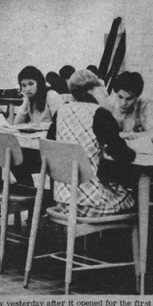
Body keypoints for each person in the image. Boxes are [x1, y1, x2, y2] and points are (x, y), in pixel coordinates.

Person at [45, 69, 136, 217]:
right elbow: (125, 155)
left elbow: (52, 144)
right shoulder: (100, 114)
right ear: (93, 90)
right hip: (89, 205)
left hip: (61, 201)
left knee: (110, 185)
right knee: (131, 198)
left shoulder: (61, 111)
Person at [11, 66, 64, 186]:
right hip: (36, 145)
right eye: (23, 85)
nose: (27, 88)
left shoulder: (51, 95)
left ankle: (28, 191)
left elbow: (60, 122)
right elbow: (16, 124)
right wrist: (26, 101)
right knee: (14, 157)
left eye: (31, 84)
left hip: (52, 148)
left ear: (39, 83)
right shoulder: (30, 98)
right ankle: (27, 190)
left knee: (18, 159)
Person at [106, 71, 153, 140]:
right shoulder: (108, 105)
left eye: (129, 99)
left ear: (137, 97)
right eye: (120, 97)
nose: (123, 103)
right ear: (116, 93)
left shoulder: (145, 106)